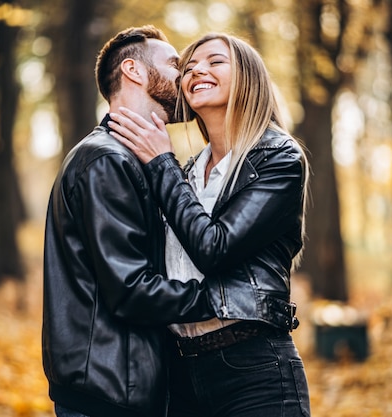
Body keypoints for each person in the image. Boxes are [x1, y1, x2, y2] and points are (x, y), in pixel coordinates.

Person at [108, 33, 311, 417]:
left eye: (216, 61)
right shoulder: (187, 172)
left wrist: (161, 163)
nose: (197, 70)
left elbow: (214, 249)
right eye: (189, 67)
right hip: (181, 373)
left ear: (248, 77)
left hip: (254, 370)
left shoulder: (279, 158)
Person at [42, 25, 214, 417]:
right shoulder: (106, 160)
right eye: (175, 64)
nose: (186, 75)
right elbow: (130, 288)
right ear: (134, 71)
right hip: (110, 392)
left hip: (122, 386)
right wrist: (220, 300)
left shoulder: (133, 160)